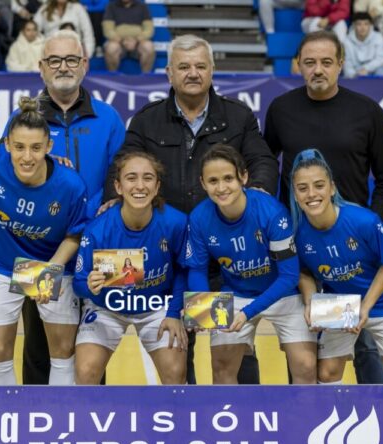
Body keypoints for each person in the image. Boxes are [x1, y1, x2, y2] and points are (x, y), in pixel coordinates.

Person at [117, 34, 280, 385]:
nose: (193, 73)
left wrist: (257, 195)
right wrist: (111, 202)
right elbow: (124, 167)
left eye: (200, 66)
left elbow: (263, 161)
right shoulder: (146, 121)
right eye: (184, 67)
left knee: (235, 343)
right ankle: (186, 408)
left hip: (227, 254)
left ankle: (240, 408)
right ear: (169, 73)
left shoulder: (238, 117)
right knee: (179, 341)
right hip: (170, 253)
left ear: (212, 70)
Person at [264, 30, 383, 384]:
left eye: (326, 62)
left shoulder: (367, 112)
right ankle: (305, 409)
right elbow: (265, 164)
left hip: (354, 249)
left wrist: (369, 229)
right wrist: (277, 224)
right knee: (303, 338)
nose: (317, 69)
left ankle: (378, 408)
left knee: (364, 339)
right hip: (300, 246)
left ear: (340, 64)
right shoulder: (281, 109)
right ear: (298, 65)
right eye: (309, 62)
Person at [2, 29, 126, 385]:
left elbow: (121, 175)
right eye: (54, 60)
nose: (63, 67)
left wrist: (95, 216)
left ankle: (88, 415)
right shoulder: (22, 119)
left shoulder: (108, 118)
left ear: (84, 64)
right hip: (36, 246)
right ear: (41, 67)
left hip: (100, 249)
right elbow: (3, 172)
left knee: (94, 343)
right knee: (37, 343)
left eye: (71, 59)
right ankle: (38, 414)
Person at [0, 96, 88, 386]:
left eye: (36, 148)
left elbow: (74, 235)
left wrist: (51, 269)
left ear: (49, 147)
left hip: (51, 263)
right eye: (19, 147)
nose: (27, 157)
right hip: (2, 264)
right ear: (7, 145)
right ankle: (3, 412)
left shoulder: (71, 185)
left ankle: (61, 411)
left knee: (62, 351)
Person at [184, 144, 316, 385]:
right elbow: (197, 269)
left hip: (282, 292)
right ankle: (230, 411)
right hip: (236, 293)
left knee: (306, 366)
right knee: (222, 368)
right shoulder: (199, 218)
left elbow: (289, 277)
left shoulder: (272, 212)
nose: (221, 188)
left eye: (228, 178)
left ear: (243, 177)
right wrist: (203, 308)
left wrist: (247, 313)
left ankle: (301, 411)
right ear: (203, 183)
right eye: (213, 181)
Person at [290, 148, 383, 384]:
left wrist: (365, 307)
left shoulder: (364, 221)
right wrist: (310, 301)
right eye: (302, 188)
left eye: (319, 185)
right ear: (295, 194)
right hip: (340, 304)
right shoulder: (298, 233)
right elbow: (304, 272)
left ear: (332, 188)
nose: (311, 194)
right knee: (327, 373)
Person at [73, 151, 188, 385]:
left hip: (156, 306)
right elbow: (78, 283)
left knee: (175, 372)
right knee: (85, 371)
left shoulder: (176, 223)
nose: (140, 186)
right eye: (131, 178)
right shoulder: (97, 229)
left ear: (157, 186)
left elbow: (183, 270)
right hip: (107, 307)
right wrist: (89, 287)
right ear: (118, 186)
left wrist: (174, 313)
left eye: (148, 178)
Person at [102, 0, 155, 73]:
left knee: (148, 47)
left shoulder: (142, 6)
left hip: (138, 43)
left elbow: (149, 29)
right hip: (119, 43)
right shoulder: (111, 6)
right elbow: (108, 30)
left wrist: (137, 40)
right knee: (111, 48)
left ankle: (145, 76)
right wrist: (122, 41)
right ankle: (113, 75)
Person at [344, 12, 383, 78]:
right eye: (359, 24)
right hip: (355, 72)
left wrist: (366, 69)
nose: (363, 27)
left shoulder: (378, 37)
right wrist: (354, 75)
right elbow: (347, 63)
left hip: (374, 69)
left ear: (370, 25)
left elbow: (381, 59)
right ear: (354, 25)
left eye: (366, 24)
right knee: (348, 74)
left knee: (381, 71)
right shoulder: (347, 41)